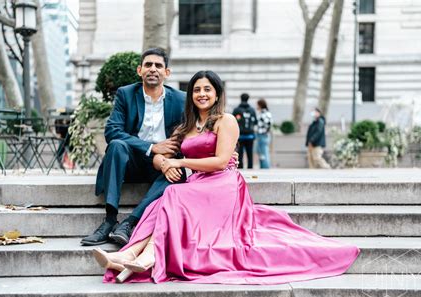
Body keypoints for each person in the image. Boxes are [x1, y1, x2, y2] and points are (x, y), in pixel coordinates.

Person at [92, 70, 359, 285]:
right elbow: (164, 150)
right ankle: (130, 256)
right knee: (161, 202)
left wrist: (181, 161)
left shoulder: (226, 120)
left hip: (223, 183)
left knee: (172, 194)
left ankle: (142, 255)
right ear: (191, 95)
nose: (202, 94)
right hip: (197, 184)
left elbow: (221, 160)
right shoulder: (185, 126)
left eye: (207, 89)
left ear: (217, 93)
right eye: (197, 89)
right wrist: (162, 161)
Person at [81, 48, 186, 246]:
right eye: (148, 65)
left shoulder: (180, 99)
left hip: (163, 165)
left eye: (158, 65)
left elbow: (188, 136)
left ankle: (129, 223)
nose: (153, 69)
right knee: (117, 145)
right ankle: (110, 220)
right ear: (140, 70)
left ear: (167, 72)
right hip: (131, 161)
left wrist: (166, 160)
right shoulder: (126, 94)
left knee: (177, 173)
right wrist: (152, 149)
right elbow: (112, 131)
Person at [232, 93, 257, 169]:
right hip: (250, 135)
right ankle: (250, 167)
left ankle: (240, 167)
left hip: (240, 136)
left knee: (240, 153)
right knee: (250, 153)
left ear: (241, 98)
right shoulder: (252, 110)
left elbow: (232, 121)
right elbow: (256, 121)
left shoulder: (236, 110)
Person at [255, 99, 272, 169]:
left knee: (264, 152)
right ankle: (263, 167)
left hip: (263, 135)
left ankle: (265, 167)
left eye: (257, 105)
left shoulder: (265, 114)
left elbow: (268, 124)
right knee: (261, 152)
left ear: (260, 105)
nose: (256, 106)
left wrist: (264, 132)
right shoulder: (262, 113)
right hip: (261, 135)